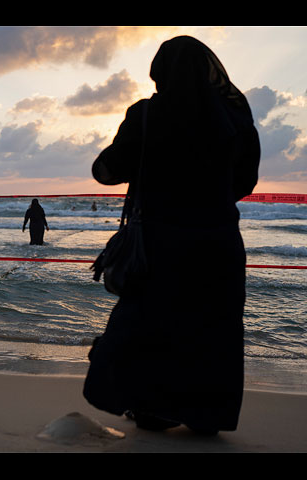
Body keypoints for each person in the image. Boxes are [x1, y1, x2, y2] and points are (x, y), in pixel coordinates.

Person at [83, 36, 260, 435]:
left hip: (163, 245)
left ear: (158, 72)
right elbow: (245, 182)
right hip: (219, 242)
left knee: (154, 325)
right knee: (213, 329)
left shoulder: (147, 115)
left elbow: (106, 170)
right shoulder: (235, 119)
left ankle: (152, 411)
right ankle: (207, 417)